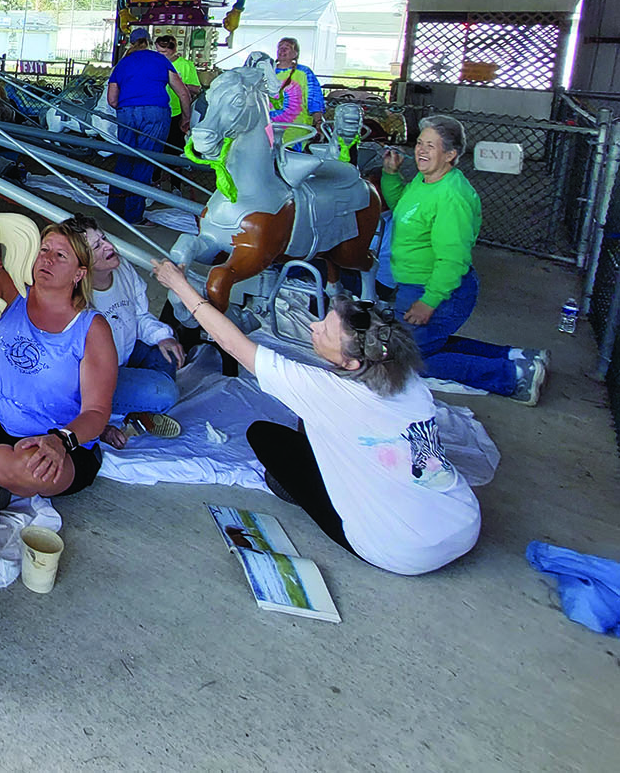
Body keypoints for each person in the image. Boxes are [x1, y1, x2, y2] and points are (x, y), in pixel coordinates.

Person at [153, 260, 481, 575]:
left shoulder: (326, 391)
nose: (314, 325)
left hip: (399, 551)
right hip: (464, 522)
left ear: (352, 363)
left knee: (264, 436)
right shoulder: (408, 380)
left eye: (324, 329)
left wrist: (179, 284)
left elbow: (231, 342)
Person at [0, 222, 118, 498]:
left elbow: (96, 413)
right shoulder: (12, 289)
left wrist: (61, 441)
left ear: (79, 273)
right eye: (44, 249)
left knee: (31, 470)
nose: (47, 259)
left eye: (61, 256)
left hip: (52, 439)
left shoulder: (91, 328)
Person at [379, 115, 545, 402]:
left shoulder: (452, 196)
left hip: (440, 290)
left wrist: (429, 301)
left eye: (431, 146)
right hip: (417, 285)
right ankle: (517, 357)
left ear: (451, 154)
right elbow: (403, 208)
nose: (421, 150)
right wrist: (392, 175)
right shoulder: (425, 180)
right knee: (426, 343)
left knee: (406, 359)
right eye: (420, 143)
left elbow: (452, 259)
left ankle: (513, 377)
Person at [61, 214, 181, 441]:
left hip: (125, 353)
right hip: (97, 378)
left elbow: (139, 315)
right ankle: (114, 414)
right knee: (166, 394)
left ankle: (132, 406)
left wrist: (162, 337)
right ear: (82, 263)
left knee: (168, 350)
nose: (109, 246)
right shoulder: (73, 299)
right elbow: (65, 376)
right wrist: (96, 425)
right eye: (97, 246)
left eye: (104, 238)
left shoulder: (122, 268)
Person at [106, 27, 192, 223]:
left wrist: (128, 108)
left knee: (125, 160)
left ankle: (115, 209)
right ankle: (134, 216)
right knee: (145, 162)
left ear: (131, 43)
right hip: (156, 112)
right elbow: (183, 93)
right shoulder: (160, 60)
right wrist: (185, 118)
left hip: (126, 113)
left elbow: (112, 100)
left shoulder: (122, 64)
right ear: (150, 42)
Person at [272, 37, 325, 141]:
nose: (282, 50)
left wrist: (318, 121)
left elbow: (314, 98)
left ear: (295, 54)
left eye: (287, 48)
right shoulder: (267, 71)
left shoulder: (304, 72)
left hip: (295, 128)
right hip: (269, 126)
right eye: (280, 47)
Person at [157, 34, 202, 156]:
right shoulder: (155, 63)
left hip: (177, 111)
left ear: (174, 49)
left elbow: (196, 89)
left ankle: (175, 173)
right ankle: (155, 174)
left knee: (175, 146)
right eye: (158, 51)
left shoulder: (186, 65)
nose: (160, 55)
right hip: (158, 110)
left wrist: (180, 85)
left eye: (164, 51)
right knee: (157, 146)